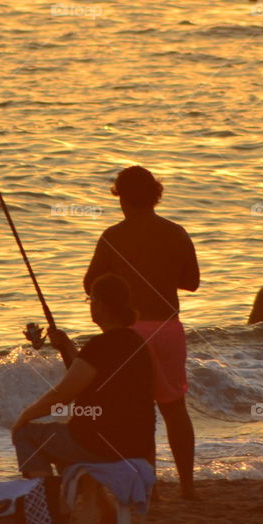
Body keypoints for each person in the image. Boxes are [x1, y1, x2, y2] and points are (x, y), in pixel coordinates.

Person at [83, 165, 199, 499]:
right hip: (168, 328)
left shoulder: (113, 236)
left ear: (122, 197)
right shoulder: (176, 232)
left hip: (129, 334)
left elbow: (91, 282)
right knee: (175, 409)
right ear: (155, 195)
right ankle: (188, 486)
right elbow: (191, 282)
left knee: (138, 411)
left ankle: (150, 489)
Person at [11, 273, 154, 476]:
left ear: (102, 305)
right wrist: (67, 346)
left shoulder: (100, 346)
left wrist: (23, 417)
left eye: (91, 299)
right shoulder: (137, 343)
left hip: (99, 445)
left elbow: (61, 396)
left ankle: (44, 500)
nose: (90, 305)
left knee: (25, 434)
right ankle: (71, 497)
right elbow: (91, 378)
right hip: (138, 445)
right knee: (64, 433)